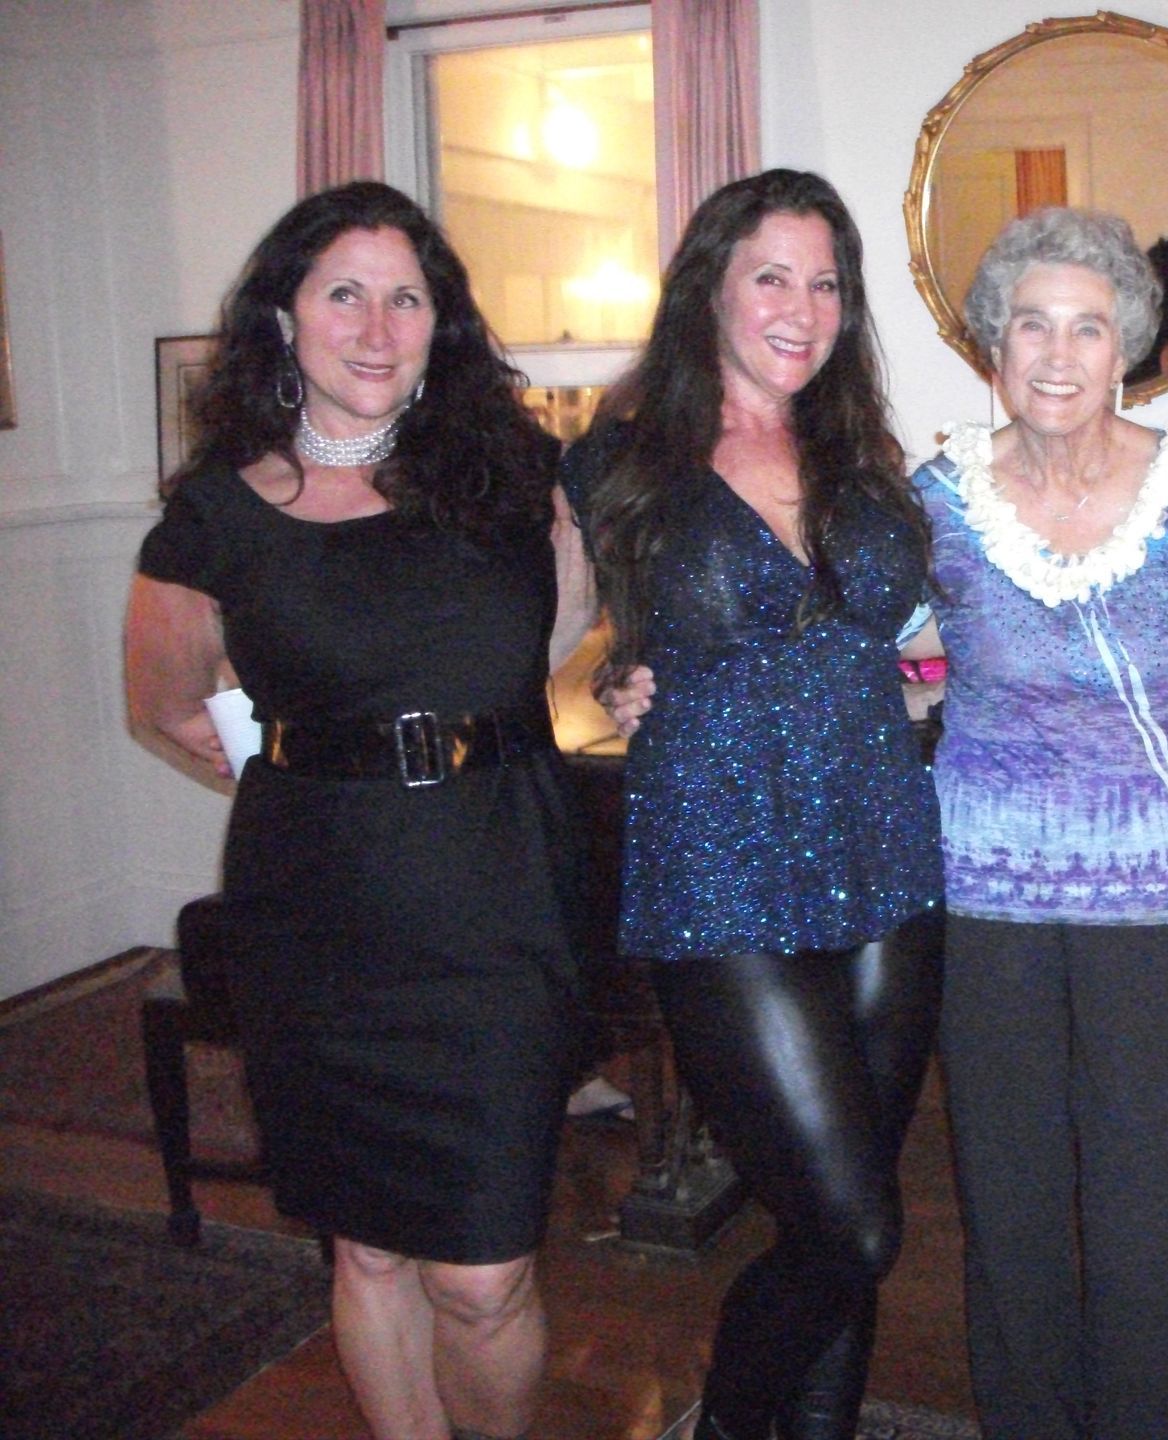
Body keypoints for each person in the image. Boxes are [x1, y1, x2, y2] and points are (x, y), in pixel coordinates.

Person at [125, 181, 595, 1440]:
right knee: (371, 1257)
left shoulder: (520, 482)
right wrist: (316, 766)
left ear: (441, 324)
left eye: (408, 297)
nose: (377, 326)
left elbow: (560, 637)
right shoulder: (218, 513)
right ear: (285, 315)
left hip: (498, 899)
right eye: (345, 292)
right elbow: (168, 704)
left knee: (484, 1275)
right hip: (319, 915)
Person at [564, 168, 944, 1440]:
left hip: (887, 849)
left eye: (826, 282)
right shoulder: (617, 462)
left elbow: (918, 632)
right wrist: (614, 676)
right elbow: (532, 635)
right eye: (771, 275)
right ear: (709, 288)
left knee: (849, 1224)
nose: (803, 306)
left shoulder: (863, 451)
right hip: (719, 863)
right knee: (852, 1221)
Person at [904, 206, 1168, 1440]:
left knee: (1138, 1205)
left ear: (1128, 349)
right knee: (1003, 1203)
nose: (1057, 354)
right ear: (993, 347)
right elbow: (853, 640)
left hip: (1157, 907)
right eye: (1031, 326)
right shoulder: (939, 496)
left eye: (1088, 328)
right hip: (985, 897)